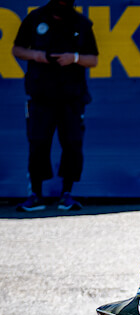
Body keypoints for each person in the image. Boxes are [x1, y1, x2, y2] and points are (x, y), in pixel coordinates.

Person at [11, 0, 98, 212]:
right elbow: (17, 49)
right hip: (41, 95)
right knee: (38, 142)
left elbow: (93, 59)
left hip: (71, 96)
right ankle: (35, 194)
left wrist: (74, 58)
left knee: (72, 143)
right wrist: (37, 55)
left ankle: (67, 193)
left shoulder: (82, 23)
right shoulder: (35, 18)